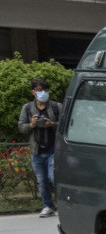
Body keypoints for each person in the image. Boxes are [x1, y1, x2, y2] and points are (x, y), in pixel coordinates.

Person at [18, 77, 60, 217]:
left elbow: (66, 125)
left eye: (45, 90)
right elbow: (21, 127)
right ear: (33, 92)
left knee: (53, 178)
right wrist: (32, 124)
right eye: (39, 90)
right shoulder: (28, 108)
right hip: (36, 151)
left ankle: (62, 205)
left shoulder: (56, 107)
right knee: (42, 181)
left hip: (53, 150)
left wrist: (52, 124)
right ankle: (48, 206)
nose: (43, 93)